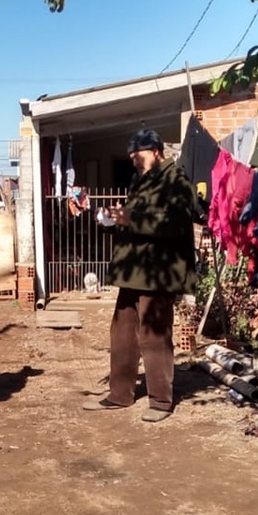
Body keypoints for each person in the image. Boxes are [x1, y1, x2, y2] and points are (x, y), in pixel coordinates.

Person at [83, 128, 199, 423]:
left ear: (157, 151)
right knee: (122, 333)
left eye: (139, 155)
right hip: (134, 270)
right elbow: (135, 220)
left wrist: (131, 218)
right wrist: (115, 218)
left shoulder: (176, 180)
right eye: (131, 156)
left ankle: (161, 400)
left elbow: (173, 224)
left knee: (154, 335)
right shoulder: (140, 181)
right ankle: (120, 394)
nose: (134, 161)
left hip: (159, 271)